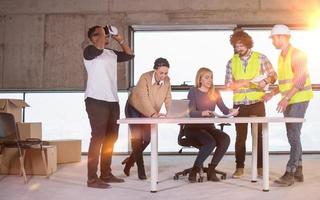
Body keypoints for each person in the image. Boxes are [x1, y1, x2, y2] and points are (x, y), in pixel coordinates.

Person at [83, 25, 134, 189]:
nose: (107, 36)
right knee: (98, 138)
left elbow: (130, 54)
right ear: (95, 36)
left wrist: (120, 38)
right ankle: (92, 179)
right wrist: (100, 30)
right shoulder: (90, 51)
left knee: (111, 138)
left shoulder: (111, 53)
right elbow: (98, 47)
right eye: (103, 34)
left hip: (113, 100)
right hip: (96, 100)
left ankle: (106, 173)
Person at [264, 24, 313, 186]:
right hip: (290, 99)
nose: (272, 42)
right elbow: (285, 82)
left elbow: (300, 80)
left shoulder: (297, 54)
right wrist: (273, 93)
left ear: (282, 37)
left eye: (273, 38)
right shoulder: (282, 56)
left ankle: (290, 172)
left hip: (298, 99)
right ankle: (298, 170)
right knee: (293, 135)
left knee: (293, 135)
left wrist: (286, 99)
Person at [225, 29, 277, 178]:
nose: (238, 49)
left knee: (259, 136)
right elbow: (228, 85)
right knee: (240, 137)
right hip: (239, 105)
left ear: (247, 44)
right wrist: (240, 83)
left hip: (257, 103)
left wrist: (265, 81)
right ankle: (239, 167)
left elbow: (274, 75)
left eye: (240, 45)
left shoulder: (260, 58)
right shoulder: (231, 62)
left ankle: (260, 167)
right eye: (235, 46)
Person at [122, 57, 172, 180]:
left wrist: (171, 112)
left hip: (149, 111)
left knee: (148, 138)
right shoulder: (145, 77)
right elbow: (143, 98)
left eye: (166, 73)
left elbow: (168, 98)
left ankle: (130, 160)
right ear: (155, 70)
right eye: (161, 73)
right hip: (134, 108)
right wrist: (154, 114)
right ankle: (141, 168)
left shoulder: (167, 80)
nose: (163, 76)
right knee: (137, 138)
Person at [184, 67, 237, 183]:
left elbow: (224, 110)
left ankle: (211, 170)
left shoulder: (215, 92)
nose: (210, 80)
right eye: (207, 77)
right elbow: (191, 112)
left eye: (211, 77)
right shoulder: (193, 91)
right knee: (210, 142)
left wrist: (232, 111)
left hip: (209, 127)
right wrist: (202, 113)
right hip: (194, 129)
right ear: (200, 79)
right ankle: (195, 169)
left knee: (225, 139)